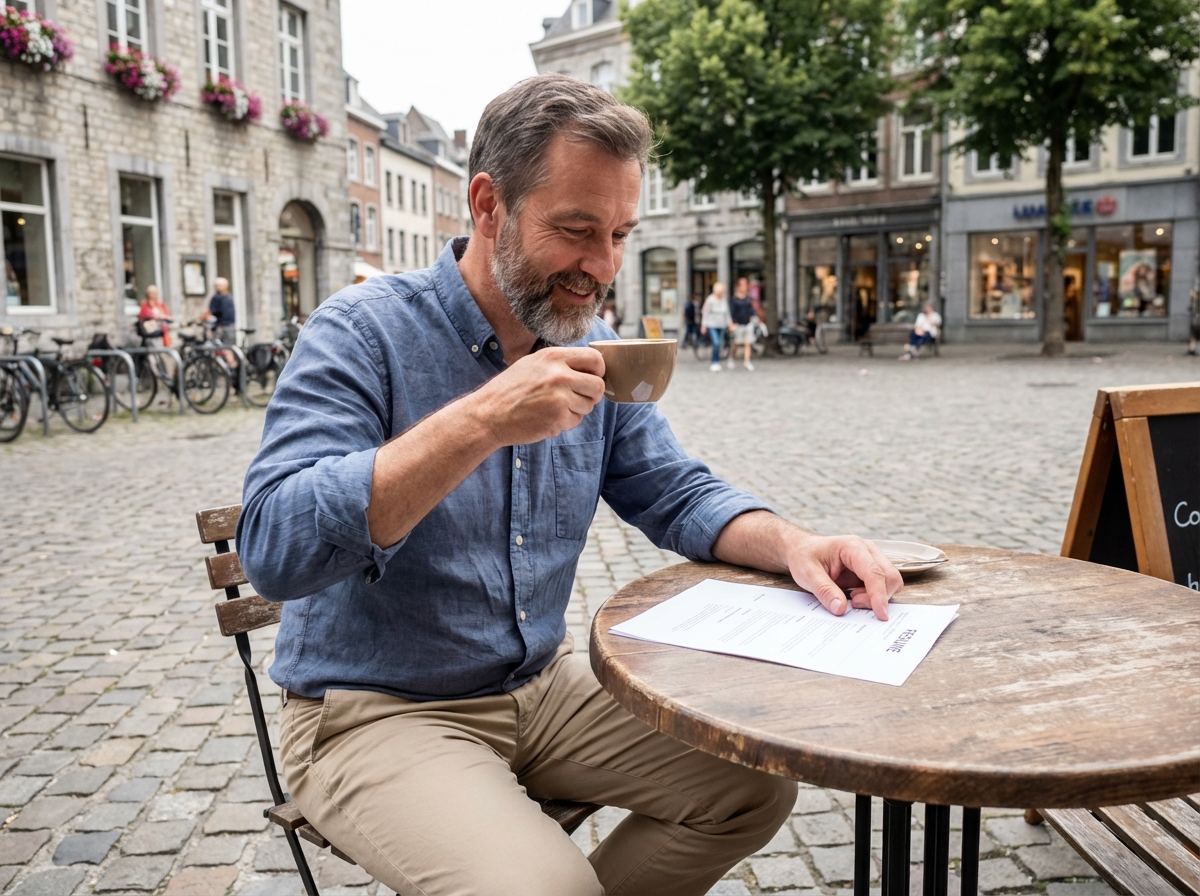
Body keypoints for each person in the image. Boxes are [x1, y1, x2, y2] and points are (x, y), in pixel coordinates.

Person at [238, 74, 902, 896]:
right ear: (489, 205)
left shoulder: (594, 346)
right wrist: (480, 421)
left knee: (752, 787)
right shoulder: (362, 331)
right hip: (374, 709)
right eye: (577, 229)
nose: (602, 266)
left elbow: (677, 492)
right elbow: (272, 546)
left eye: (620, 232)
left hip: (539, 688)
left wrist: (799, 544)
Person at [202, 277, 237, 367]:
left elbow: (210, 312)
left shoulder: (217, 298)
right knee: (229, 349)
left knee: (225, 349)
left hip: (223, 327)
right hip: (230, 326)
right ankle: (233, 369)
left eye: (220, 285)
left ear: (225, 286)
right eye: (216, 285)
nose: (218, 287)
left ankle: (231, 369)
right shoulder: (228, 297)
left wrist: (200, 319)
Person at [700, 281, 731, 372]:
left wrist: (730, 323)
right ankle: (714, 361)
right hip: (712, 325)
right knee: (716, 342)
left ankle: (717, 361)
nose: (721, 293)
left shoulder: (724, 300)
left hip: (722, 325)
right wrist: (704, 325)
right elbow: (705, 313)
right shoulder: (710, 299)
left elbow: (727, 313)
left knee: (720, 344)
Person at [729, 276, 756, 371]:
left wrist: (753, 316)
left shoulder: (748, 298)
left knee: (747, 343)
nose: (745, 286)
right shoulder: (735, 299)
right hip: (739, 323)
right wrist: (731, 324)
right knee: (736, 343)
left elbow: (751, 309)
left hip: (748, 323)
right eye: (743, 284)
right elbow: (732, 313)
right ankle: (732, 358)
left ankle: (747, 361)